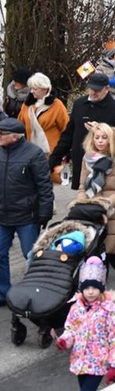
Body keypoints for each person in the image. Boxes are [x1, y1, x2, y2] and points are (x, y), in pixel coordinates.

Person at [55, 256, 115, 391]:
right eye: (87, 288)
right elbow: (71, 330)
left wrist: (114, 365)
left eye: (94, 288)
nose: (90, 292)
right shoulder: (76, 307)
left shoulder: (109, 309)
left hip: (99, 361)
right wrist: (64, 341)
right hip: (80, 360)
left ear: (101, 288)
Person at [0, 118, 53, 306]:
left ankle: (37, 290)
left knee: (31, 255)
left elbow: (44, 186)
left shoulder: (34, 154)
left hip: (26, 217)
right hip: (2, 216)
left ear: (14, 137)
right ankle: (3, 293)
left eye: (2, 133)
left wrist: (45, 212)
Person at [78, 123, 115, 298]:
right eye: (97, 137)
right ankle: (99, 288)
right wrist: (81, 203)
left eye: (104, 138)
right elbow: (82, 186)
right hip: (93, 213)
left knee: (113, 252)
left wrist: (105, 203)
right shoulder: (88, 158)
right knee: (96, 253)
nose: (100, 141)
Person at [49, 72, 115, 190]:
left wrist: (102, 130)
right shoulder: (80, 104)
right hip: (81, 160)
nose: (93, 92)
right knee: (83, 196)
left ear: (106, 89)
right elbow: (69, 134)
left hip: (103, 165)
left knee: (99, 199)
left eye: (97, 90)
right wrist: (55, 158)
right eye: (91, 89)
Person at [17, 72, 69, 156]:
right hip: (31, 151)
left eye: (35, 89)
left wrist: (65, 151)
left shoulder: (57, 105)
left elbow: (66, 129)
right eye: (31, 88)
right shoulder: (27, 105)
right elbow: (19, 125)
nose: (32, 91)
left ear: (46, 89)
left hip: (51, 152)